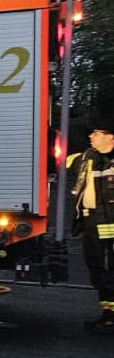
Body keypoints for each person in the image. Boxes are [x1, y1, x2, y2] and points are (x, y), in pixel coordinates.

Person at [67, 122, 114, 332]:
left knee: (109, 269)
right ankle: (108, 312)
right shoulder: (86, 158)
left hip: (108, 224)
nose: (91, 136)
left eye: (97, 133)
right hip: (91, 221)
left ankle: (111, 315)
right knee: (96, 268)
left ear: (110, 137)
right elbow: (63, 160)